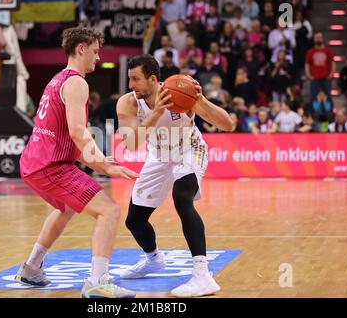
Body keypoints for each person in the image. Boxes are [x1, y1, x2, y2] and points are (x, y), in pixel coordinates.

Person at [16, 27, 138, 298]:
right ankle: (97, 282)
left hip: (35, 163)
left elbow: (66, 135)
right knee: (109, 211)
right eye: (95, 51)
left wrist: (95, 159)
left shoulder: (56, 80)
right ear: (81, 48)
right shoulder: (77, 82)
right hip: (50, 166)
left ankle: (32, 267)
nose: (97, 57)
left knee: (66, 208)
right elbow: (78, 132)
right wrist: (104, 167)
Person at [116, 54, 233, 297]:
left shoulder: (180, 92)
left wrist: (200, 100)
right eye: (129, 79)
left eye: (135, 79)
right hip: (158, 155)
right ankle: (153, 259)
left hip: (189, 149)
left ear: (153, 79)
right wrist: (157, 113)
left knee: (182, 197)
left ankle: (202, 275)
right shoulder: (127, 103)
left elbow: (228, 124)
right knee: (134, 221)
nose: (131, 85)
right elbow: (130, 143)